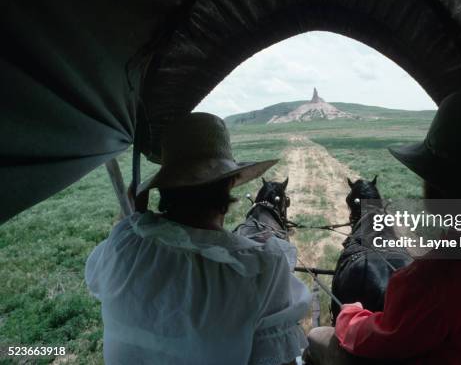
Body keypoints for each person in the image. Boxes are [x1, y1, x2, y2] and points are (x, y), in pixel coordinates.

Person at [305, 93, 461, 365]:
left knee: (318, 337)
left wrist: (349, 315)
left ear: (437, 191)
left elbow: (384, 338)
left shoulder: (438, 275)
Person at [86, 113, 311, 365]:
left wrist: (132, 222)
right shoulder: (261, 268)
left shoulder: (125, 242)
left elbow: (96, 283)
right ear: (231, 183)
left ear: (164, 187)